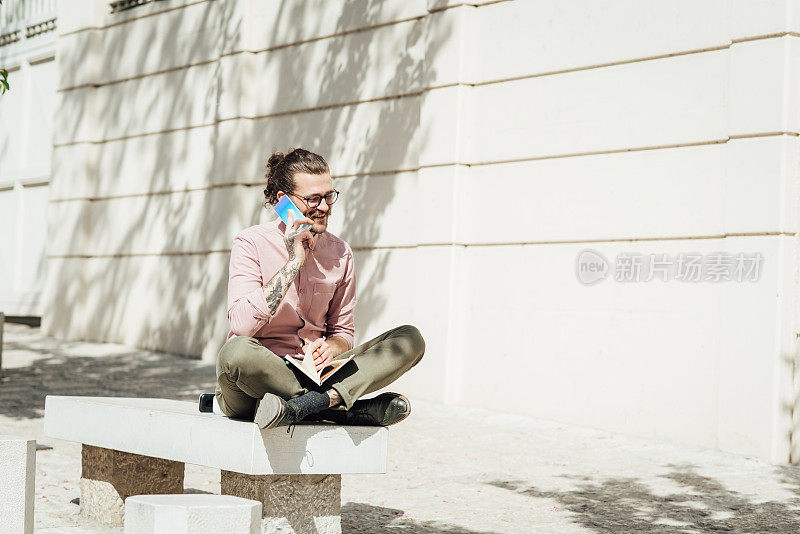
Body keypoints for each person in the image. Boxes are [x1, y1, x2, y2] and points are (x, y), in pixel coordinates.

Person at [213, 148, 426, 429]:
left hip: (317, 373)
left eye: (328, 196)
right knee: (235, 354)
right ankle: (338, 407)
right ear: (283, 201)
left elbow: (343, 334)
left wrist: (329, 347)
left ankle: (309, 405)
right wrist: (293, 262)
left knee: (409, 339)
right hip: (256, 382)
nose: (324, 207)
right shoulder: (250, 243)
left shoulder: (340, 253)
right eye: (313, 198)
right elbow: (241, 325)